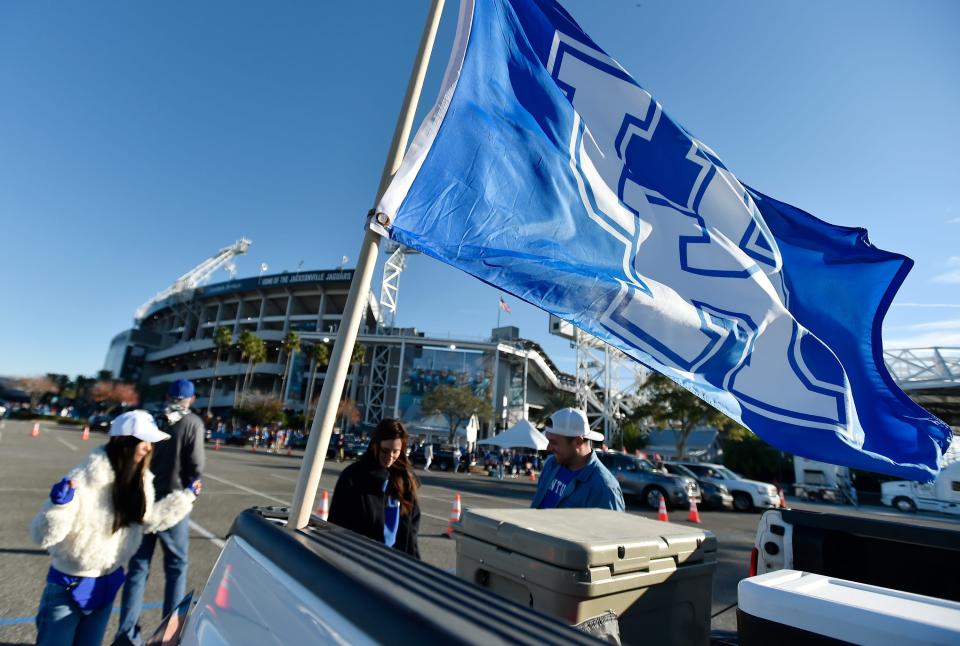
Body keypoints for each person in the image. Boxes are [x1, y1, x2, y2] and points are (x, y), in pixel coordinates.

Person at [31, 411, 195, 646]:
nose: (148, 448)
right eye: (143, 441)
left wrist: (186, 497)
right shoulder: (83, 478)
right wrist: (58, 508)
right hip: (68, 587)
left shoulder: (140, 480)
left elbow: (148, 521)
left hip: (107, 585)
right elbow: (42, 536)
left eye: (150, 442)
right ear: (124, 442)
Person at [116, 379, 204, 645]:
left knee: (138, 568)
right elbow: (196, 465)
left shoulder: (152, 418)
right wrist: (194, 488)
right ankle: (169, 634)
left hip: (145, 501)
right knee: (176, 567)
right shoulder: (192, 423)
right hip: (173, 505)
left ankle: (126, 634)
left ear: (167, 395)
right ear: (191, 399)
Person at [328, 418, 421, 558]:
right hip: (361, 560)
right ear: (375, 445)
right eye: (385, 450)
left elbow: (411, 529)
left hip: (397, 561)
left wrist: (414, 564)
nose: (390, 457)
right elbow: (337, 525)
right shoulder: (353, 477)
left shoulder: (405, 479)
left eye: (395, 452)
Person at [531, 408, 625, 511]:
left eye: (554, 442)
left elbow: (611, 526)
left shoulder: (604, 488)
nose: (548, 448)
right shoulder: (551, 464)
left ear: (578, 442)